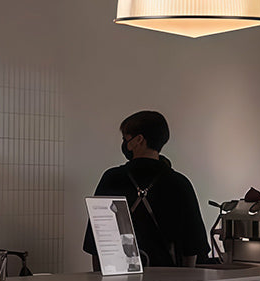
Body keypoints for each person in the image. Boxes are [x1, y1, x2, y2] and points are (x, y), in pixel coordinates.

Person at [83, 110, 209, 269]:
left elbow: (97, 240)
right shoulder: (180, 183)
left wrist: (100, 280)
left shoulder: (112, 179)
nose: (124, 143)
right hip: (169, 280)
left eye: (126, 138)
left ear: (139, 140)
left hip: (121, 276)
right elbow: (193, 245)